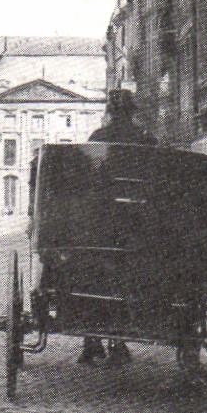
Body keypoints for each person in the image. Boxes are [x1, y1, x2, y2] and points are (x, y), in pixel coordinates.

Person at [78, 89, 157, 366]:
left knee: (89, 274)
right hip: (139, 224)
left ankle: (91, 341)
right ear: (132, 111)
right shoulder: (146, 140)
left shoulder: (97, 139)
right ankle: (120, 342)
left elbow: (89, 180)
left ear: (109, 112)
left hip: (102, 223)